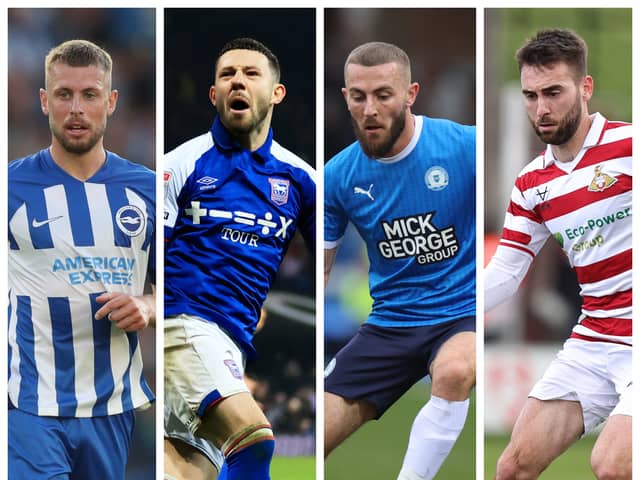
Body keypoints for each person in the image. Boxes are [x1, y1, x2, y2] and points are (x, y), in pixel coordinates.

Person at [163, 37, 316, 480]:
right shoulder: (181, 165)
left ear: (276, 93)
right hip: (185, 325)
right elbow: (149, 260)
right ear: (214, 95)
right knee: (253, 440)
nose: (238, 82)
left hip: (234, 337)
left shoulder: (300, 180)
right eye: (228, 75)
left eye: (251, 74)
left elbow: (325, 255)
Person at [324, 41, 476, 480]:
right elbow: (324, 266)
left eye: (383, 95)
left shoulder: (463, 147)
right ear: (346, 97)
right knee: (310, 435)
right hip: (389, 325)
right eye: (358, 96)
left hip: (461, 313)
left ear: (410, 94)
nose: (369, 108)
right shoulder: (338, 176)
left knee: (453, 372)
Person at [485, 29, 632, 480]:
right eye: (531, 95)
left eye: (553, 92)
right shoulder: (532, 182)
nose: (541, 108)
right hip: (594, 338)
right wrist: (447, 308)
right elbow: (507, 272)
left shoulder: (629, 147)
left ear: (584, 88)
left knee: (611, 466)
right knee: (512, 467)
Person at [8, 39, 156, 479]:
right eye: (63, 94)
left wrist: (147, 305)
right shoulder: (10, 188)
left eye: (89, 95)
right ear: (44, 101)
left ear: (110, 102)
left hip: (112, 407)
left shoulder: (146, 190)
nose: (76, 108)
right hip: (30, 405)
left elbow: (181, 286)